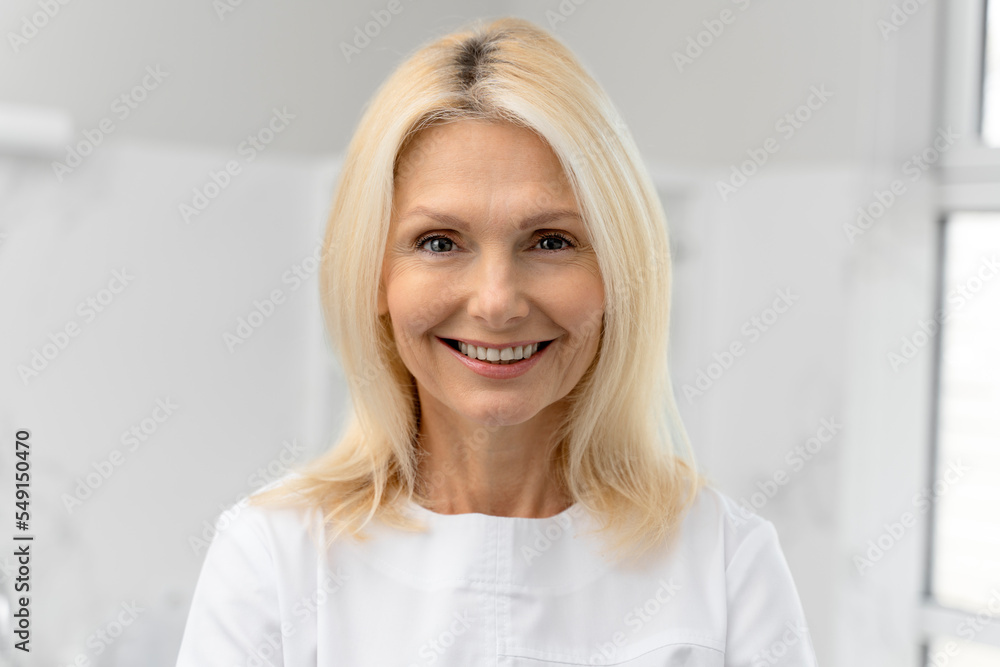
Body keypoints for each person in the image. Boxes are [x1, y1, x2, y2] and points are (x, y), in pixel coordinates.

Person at [176, 16, 818, 667]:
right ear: (374, 274)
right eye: (439, 242)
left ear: (619, 273)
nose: (496, 302)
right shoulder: (275, 558)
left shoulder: (726, 563)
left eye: (550, 241)